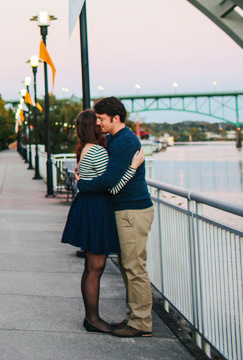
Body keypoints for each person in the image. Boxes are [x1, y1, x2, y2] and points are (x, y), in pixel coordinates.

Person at [77, 97, 155, 337]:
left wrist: (83, 185)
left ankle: (141, 323)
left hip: (132, 210)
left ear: (115, 118)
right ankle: (134, 317)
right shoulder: (115, 139)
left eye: (101, 119)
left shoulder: (124, 142)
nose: (98, 123)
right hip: (123, 210)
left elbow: (111, 183)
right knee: (127, 265)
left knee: (134, 267)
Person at [62, 109, 145, 333]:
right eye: (97, 122)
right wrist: (133, 167)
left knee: (92, 266)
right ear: (93, 128)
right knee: (95, 267)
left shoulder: (86, 148)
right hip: (96, 208)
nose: (100, 124)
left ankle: (92, 317)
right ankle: (92, 319)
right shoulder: (97, 151)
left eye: (102, 120)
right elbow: (113, 186)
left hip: (89, 206)